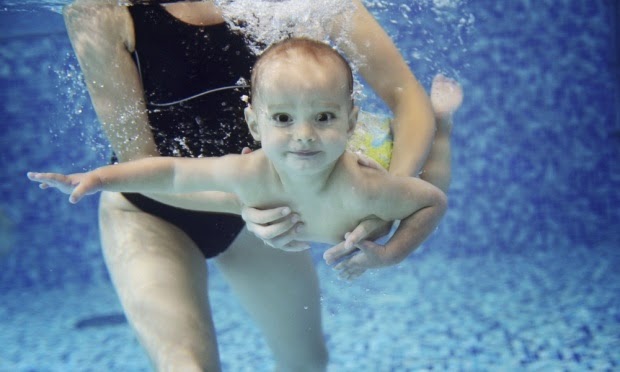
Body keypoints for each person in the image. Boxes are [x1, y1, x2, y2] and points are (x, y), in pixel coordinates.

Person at [58, 0, 452, 370]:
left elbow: (406, 97)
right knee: (184, 365)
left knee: (307, 362)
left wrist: (385, 199)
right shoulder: (101, 11)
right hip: (152, 213)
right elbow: (144, 167)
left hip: (267, 210)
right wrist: (243, 203)